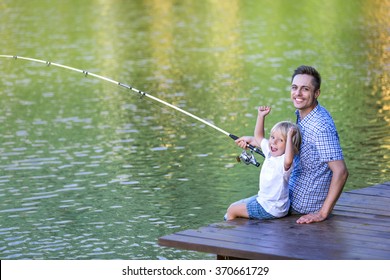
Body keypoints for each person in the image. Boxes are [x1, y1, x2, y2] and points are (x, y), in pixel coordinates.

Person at [288, 65, 349, 224]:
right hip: (292, 194)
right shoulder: (306, 115)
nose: (298, 94)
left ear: (316, 93)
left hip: (303, 205)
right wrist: (256, 142)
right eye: (295, 88)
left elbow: (341, 172)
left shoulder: (320, 126)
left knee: (235, 209)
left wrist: (322, 213)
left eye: (305, 89)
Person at [225, 106, 301, 220]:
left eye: (281, 140)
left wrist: (290, 137)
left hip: (272, 208)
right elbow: (259, 137)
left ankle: (230, 232)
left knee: (232, 211)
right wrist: (261, 116)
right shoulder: (270, 152)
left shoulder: (284, 161)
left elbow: (289, 159)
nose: (274, 142)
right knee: (233, 206)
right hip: (265, 201)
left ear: (289, 145)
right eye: (272, 137)